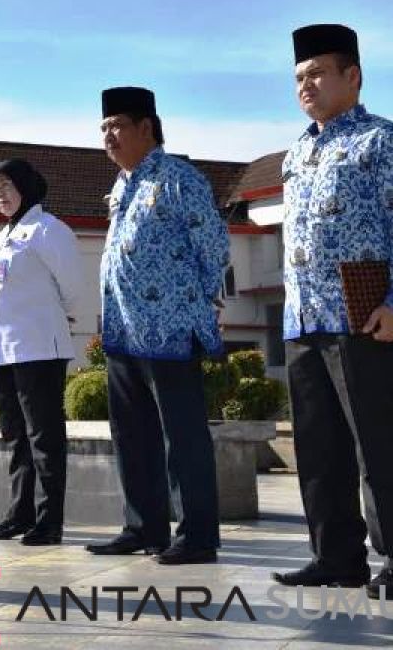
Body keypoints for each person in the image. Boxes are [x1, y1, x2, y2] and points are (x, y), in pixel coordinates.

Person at [271, 24, 393, 601]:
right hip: (304, 318)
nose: (306, 85)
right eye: (298, 77)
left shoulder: (383, 141)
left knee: (381, 444)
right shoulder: (296, 152)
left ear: (353, 76)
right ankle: (336, 557)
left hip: (364, 315)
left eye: (317, 73)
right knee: (318, 449)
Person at [87, 86, 228, 565]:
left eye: (117, 126)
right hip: (123, 330)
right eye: (103, 128)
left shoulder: (177, 178)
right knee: (132, 434)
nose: (108, 137)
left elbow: (213, 247)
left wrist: (198, 299)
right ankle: (143, 525)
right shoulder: (122, 187)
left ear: (147, 127)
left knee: (181, 435)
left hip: (168, 328)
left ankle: (198, 535)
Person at [0, 158, 85, 546]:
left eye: (6, 186)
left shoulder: (47, 229)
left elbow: (72, 287)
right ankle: (18, 514)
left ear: (26, 186)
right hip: (2, 353)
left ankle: (48, 520)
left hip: (38, 347)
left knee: (43, 438)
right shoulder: (5, 236)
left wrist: (61, 317)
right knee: (16, 437)